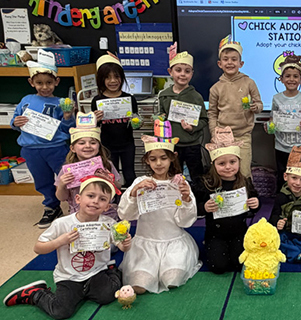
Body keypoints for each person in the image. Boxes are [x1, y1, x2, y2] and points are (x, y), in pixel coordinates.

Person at [3, 176, 131, 319]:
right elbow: (38, 248)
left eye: (102, 199)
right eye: (90, 196)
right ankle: (36, 293)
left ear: (107, 206)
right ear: (78, 199)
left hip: (96, 272)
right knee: (60, 312)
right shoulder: (62, 224)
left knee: (108, 296)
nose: (95, 201)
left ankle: (111, 270)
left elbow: (121, 247)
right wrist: (60, 241)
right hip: (69, 276)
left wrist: (125, 244)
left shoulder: (109, 223)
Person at [117, 120, 201, 294]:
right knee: (140, 286)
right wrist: (133, 193)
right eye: (153, 159)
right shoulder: (140, 183)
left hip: (173, 242)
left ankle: (172, 265)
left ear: (172, 158)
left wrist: (185, 198)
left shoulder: (179, 183)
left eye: (163, 158)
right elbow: (126, 214)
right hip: (145, 243)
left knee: (172, 280)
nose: (159, 163)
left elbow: (185, 221)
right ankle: (144, 269)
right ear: (147, 160)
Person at [10, 49, 75, 228]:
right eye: (39, 83)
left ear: (56, 82)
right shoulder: (26, 100)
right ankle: (51, 207)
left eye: (49, 83)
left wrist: (68, 116)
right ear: (32, 82)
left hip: (56, 148)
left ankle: (74, 205)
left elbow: (68, 128)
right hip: (31, 149)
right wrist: (16, 122)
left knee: (66, 177)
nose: (45, 87)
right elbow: (14, 122)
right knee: (42, 179)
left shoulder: (61, 103)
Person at [195, 126, 261, 274]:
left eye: (232, 162)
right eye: (222, 164)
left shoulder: (244, 182)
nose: (228, 167)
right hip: (216, 234)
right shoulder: (207, 184)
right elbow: (195, 208)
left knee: (239, 265)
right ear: (213, 164)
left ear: (238, 162)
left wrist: (256, 203)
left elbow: (255, 202)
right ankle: (210, 244)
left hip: (239, 231)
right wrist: (204, 207)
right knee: (219, 267)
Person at [208, 35, 263, 177]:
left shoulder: (249, 82)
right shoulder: (216, 88)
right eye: (226, 60)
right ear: (220, 64)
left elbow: (259, 104)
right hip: (222, 136)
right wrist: (214, 134)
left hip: (243, 136)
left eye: (234, 59)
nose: (230, 63)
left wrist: (255, 107)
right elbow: (212, 113)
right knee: (224, 173)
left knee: (244, 172)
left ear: (241, 63)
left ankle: (246, 197)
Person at [56, 112, 122, 220]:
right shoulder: (67, 170)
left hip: (105, 212)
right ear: (72, 148)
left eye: (93, 143)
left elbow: (118, 188)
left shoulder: (106, 165)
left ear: (99, 147)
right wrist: (62, 185)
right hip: (79, 214)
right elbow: (61, 198)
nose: (88, 146)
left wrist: (111, 180)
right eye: (81, 143)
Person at [158, 43, 208, 183]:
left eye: (187, 71)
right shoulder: (164, 95)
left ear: (192, 73)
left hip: (191, 144)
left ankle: (199, 203)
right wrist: (160, 119)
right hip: (172, 144)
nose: (182, 74)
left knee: (197, 176)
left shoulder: (196, 96)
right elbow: (160, 116)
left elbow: (204, 119)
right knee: (173, 176)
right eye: (178, 70)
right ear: (170, 72)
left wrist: (192, 128)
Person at [90, 52, 138, 188]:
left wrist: (136, 121)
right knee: (111, 174)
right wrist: (95, 119)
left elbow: (136, 123)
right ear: (101, 79)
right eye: (107, 77)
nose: (113, 81)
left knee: (130, 174)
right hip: (107, 145)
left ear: (122, 78)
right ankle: (114, 201)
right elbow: (94, 127)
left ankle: (132, 199)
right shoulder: (97, 100)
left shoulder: (129, 99)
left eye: (116, 76)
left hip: (127, 144)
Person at [268, 54, 301, 190]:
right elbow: (272, 118)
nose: (291, 79)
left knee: (299, 174)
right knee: (282, 173)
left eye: (295, 76)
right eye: (287, 76)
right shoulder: (276, 98)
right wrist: (270, 126)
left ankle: (297, 200)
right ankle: (282, 200)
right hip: (281, 144)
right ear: (281, 79)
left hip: (300, 144)